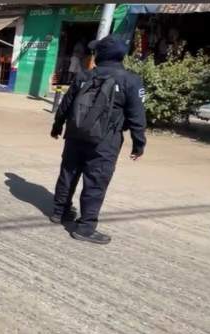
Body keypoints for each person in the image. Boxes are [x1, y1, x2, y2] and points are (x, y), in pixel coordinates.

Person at [50, 35, 147, 245]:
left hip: (75, 135)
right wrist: (139, 144)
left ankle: (60, 212)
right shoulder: (131, 80)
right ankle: (85, 227)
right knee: (96, 180)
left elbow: (65, 105)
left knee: (69, 172)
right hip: (105, 140)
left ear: (101, 54)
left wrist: (57, 126)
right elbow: (137, 116)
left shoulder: (84, 75)